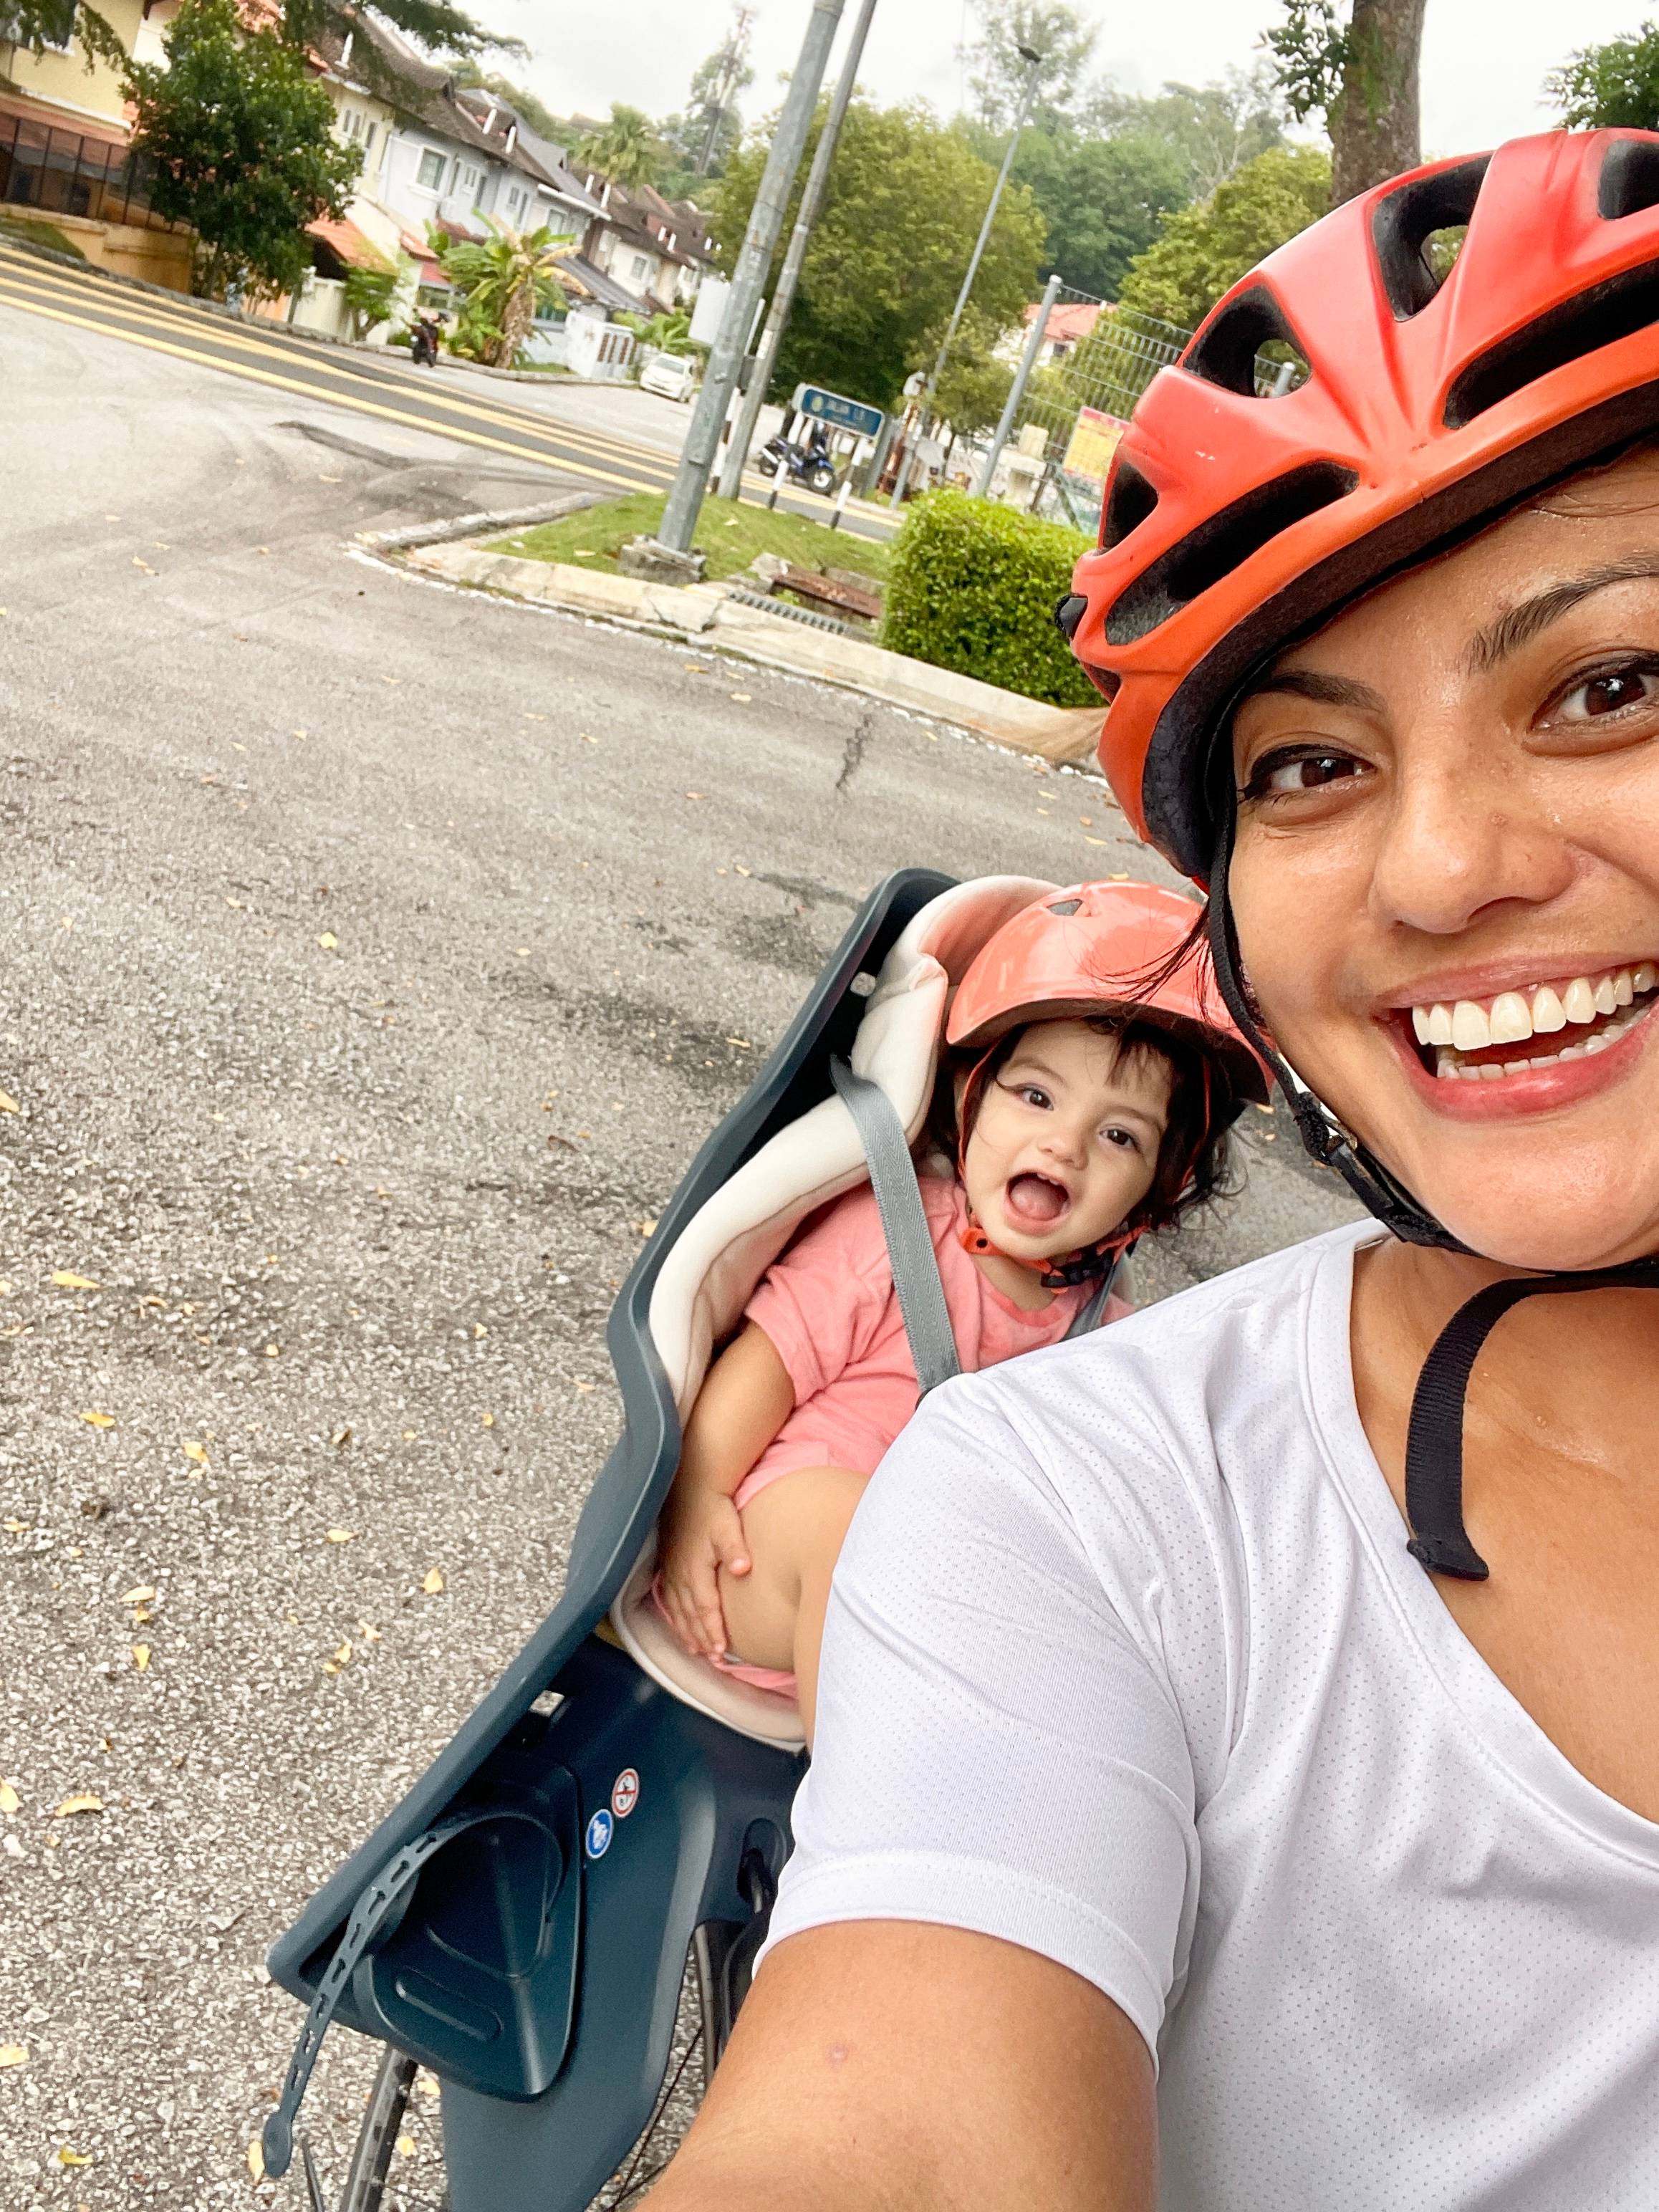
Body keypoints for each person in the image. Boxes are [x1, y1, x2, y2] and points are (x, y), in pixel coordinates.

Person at [649, 130, 1659, 2209]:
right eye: (1308, 764)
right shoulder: (1083, 1506)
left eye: (1610, 684)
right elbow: (892, 2141)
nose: (1438, 868)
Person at [654, 880, 1264, 1739]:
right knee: (856, 1527)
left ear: (1154, 1192)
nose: (1065, 1144)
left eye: (1120, 1135)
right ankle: (861, 1801)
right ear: (968, 1096)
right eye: (1036, 1096)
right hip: (760, 1560)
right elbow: (763, 1368)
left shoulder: (1104, 1341)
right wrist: (691, 1502)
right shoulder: (890, 1234)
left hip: (935, 1613)